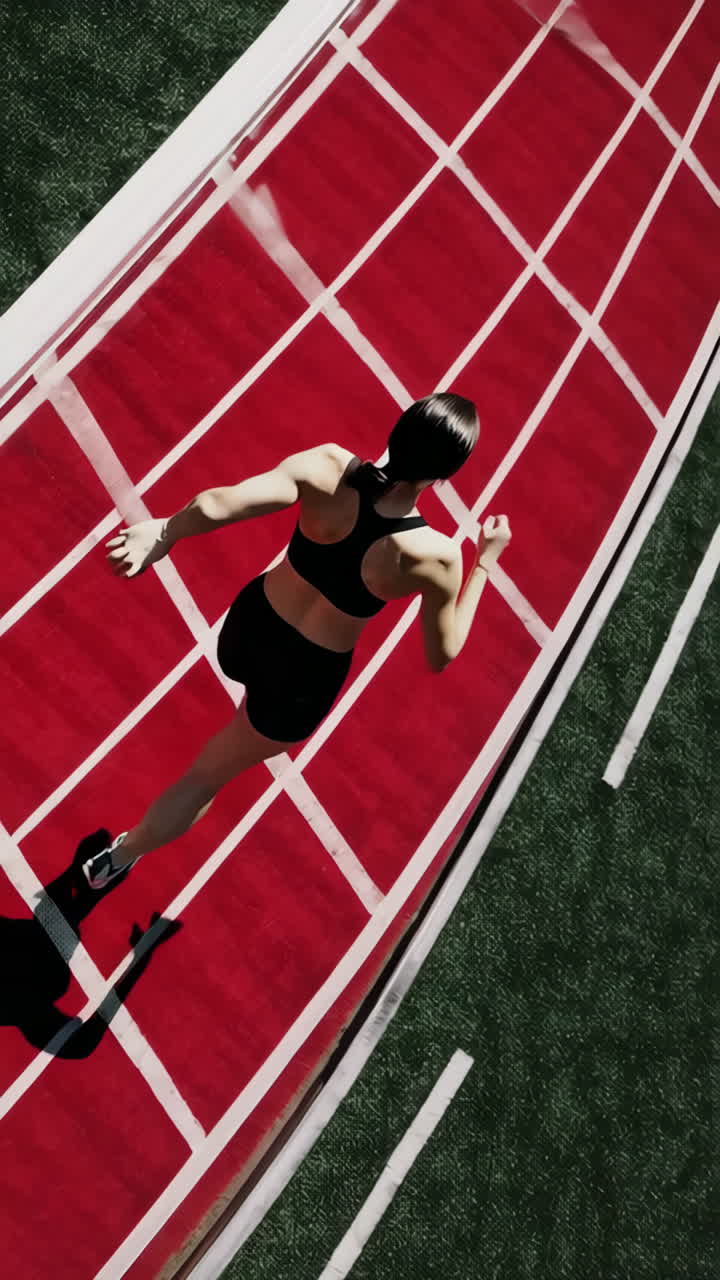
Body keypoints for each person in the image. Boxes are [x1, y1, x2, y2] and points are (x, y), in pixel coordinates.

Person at [82, 393, 511, 889]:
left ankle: (121, 853)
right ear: (444, 474)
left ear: (399, 430)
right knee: (205, 777)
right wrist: (483, 561)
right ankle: (117, 858)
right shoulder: (436, 556)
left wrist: (164, 533)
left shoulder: (328, 466)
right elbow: (443, 654)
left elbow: (216, 504)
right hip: (302, 681)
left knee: (292, 579)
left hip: (249, 630)